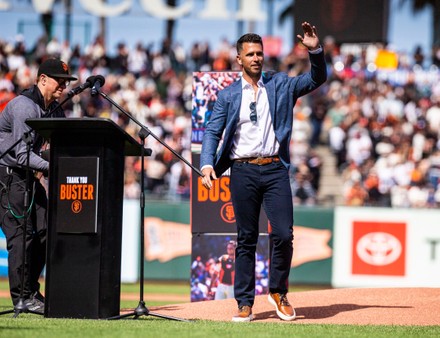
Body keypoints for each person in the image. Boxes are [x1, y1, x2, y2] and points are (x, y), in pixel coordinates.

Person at [200, 22, 327, 322]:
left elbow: (316, 78)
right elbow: (212, 132)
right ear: (239, 60)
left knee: (283, 234)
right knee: (246, 238)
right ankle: (244, 302)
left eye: (260, 53)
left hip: (274, 170)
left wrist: (315, 50)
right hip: (242, 171)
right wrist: (207, 163)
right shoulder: (228, 95)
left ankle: (278, 292)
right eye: (251, 54)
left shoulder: (281, 84)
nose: (257, 58)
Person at [0, 58, 77, 313]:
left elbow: (62, 146)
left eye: (67, 82)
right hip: (8, 177)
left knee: (45, 230)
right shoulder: (24, 106)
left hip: (31, 177)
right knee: (21, 237)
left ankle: (32, 291)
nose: (64, 86)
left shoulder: (55, 109)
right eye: (60, 80)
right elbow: (21, 155)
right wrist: (56, 166)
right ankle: (21, 299)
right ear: (42, 79)